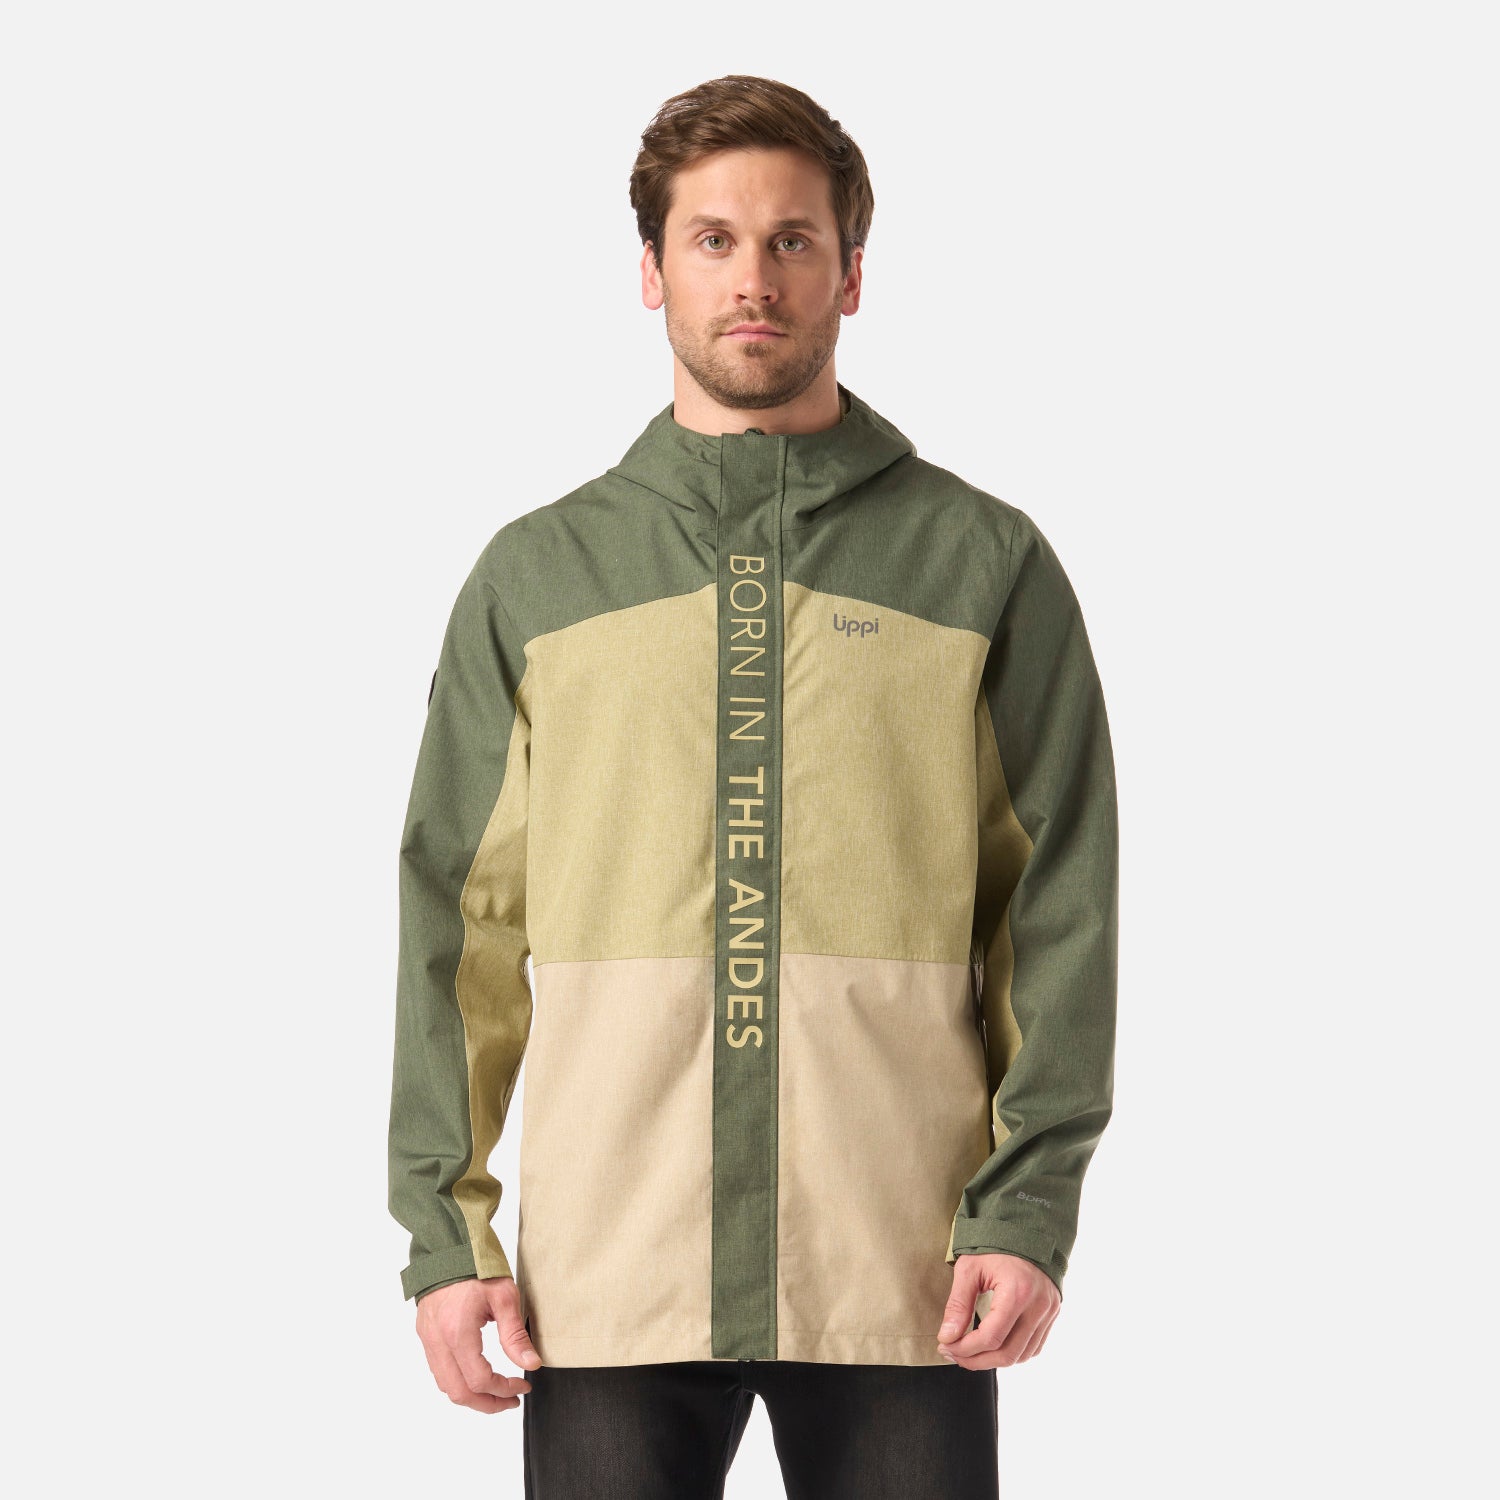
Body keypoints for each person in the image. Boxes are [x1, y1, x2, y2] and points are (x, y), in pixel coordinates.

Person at [387, 73, 1119, 1500]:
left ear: (853, 273)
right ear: (650, 272)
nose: (754, 279)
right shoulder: (538, 578)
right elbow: (456, 924)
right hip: (607, 1272)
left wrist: (1026, 1208)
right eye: (713, 240)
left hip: (903, 1264)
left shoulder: (984, 563)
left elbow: (1059, 909)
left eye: (793, 240)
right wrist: (444, 1230)